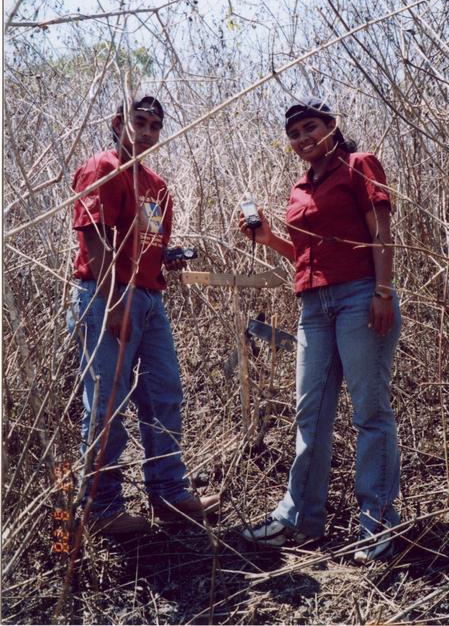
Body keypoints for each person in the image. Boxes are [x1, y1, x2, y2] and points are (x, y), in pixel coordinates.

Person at [240, 97, 401, 563]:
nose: (303, 138)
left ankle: (378, 523)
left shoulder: (358, 165)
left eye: (311, 127)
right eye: (294, 133)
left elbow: (380, 231)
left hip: (359, 296)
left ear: (332, 126)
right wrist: (270, 238)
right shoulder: (299, 187)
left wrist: (383, 292)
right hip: (313, 304)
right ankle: (300, 519)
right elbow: (308, 255)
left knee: (369, 412)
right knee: (310, 414)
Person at [68, 95, 219, 535]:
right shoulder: (103, 168)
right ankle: (100, 510)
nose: (148, 132)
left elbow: (143, 241)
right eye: (140, 122)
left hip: (151, 298)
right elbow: (94, 240)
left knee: (164, 394)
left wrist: (164, 258)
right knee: (106, 404)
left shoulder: (156, 183)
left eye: (156, 125)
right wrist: (114, 300)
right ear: (119, 123)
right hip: (107, 296)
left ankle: (170, 494)